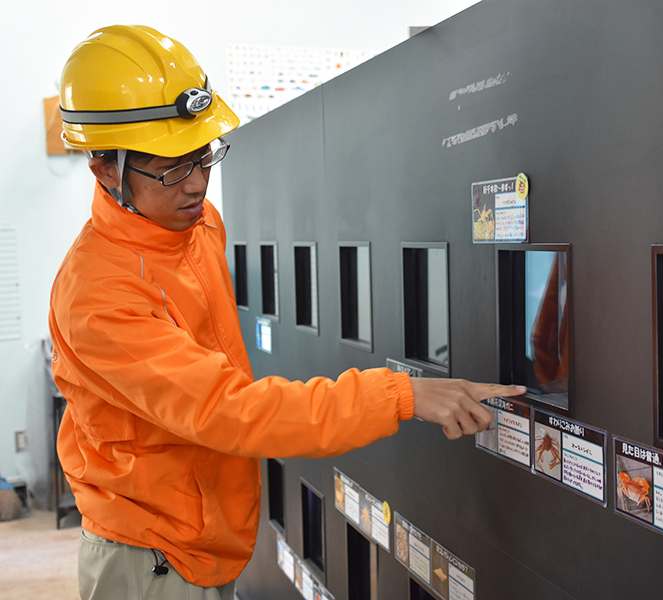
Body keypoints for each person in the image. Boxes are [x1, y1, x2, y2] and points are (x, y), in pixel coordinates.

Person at [49, 25, 523, 600]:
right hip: (149, 558)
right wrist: (400, 394)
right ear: (105, 170)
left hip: (207, 537)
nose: (197, 182)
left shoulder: (197, 227)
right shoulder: (99, 295)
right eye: (172, 167)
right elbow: (231, 411)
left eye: (203, 155)